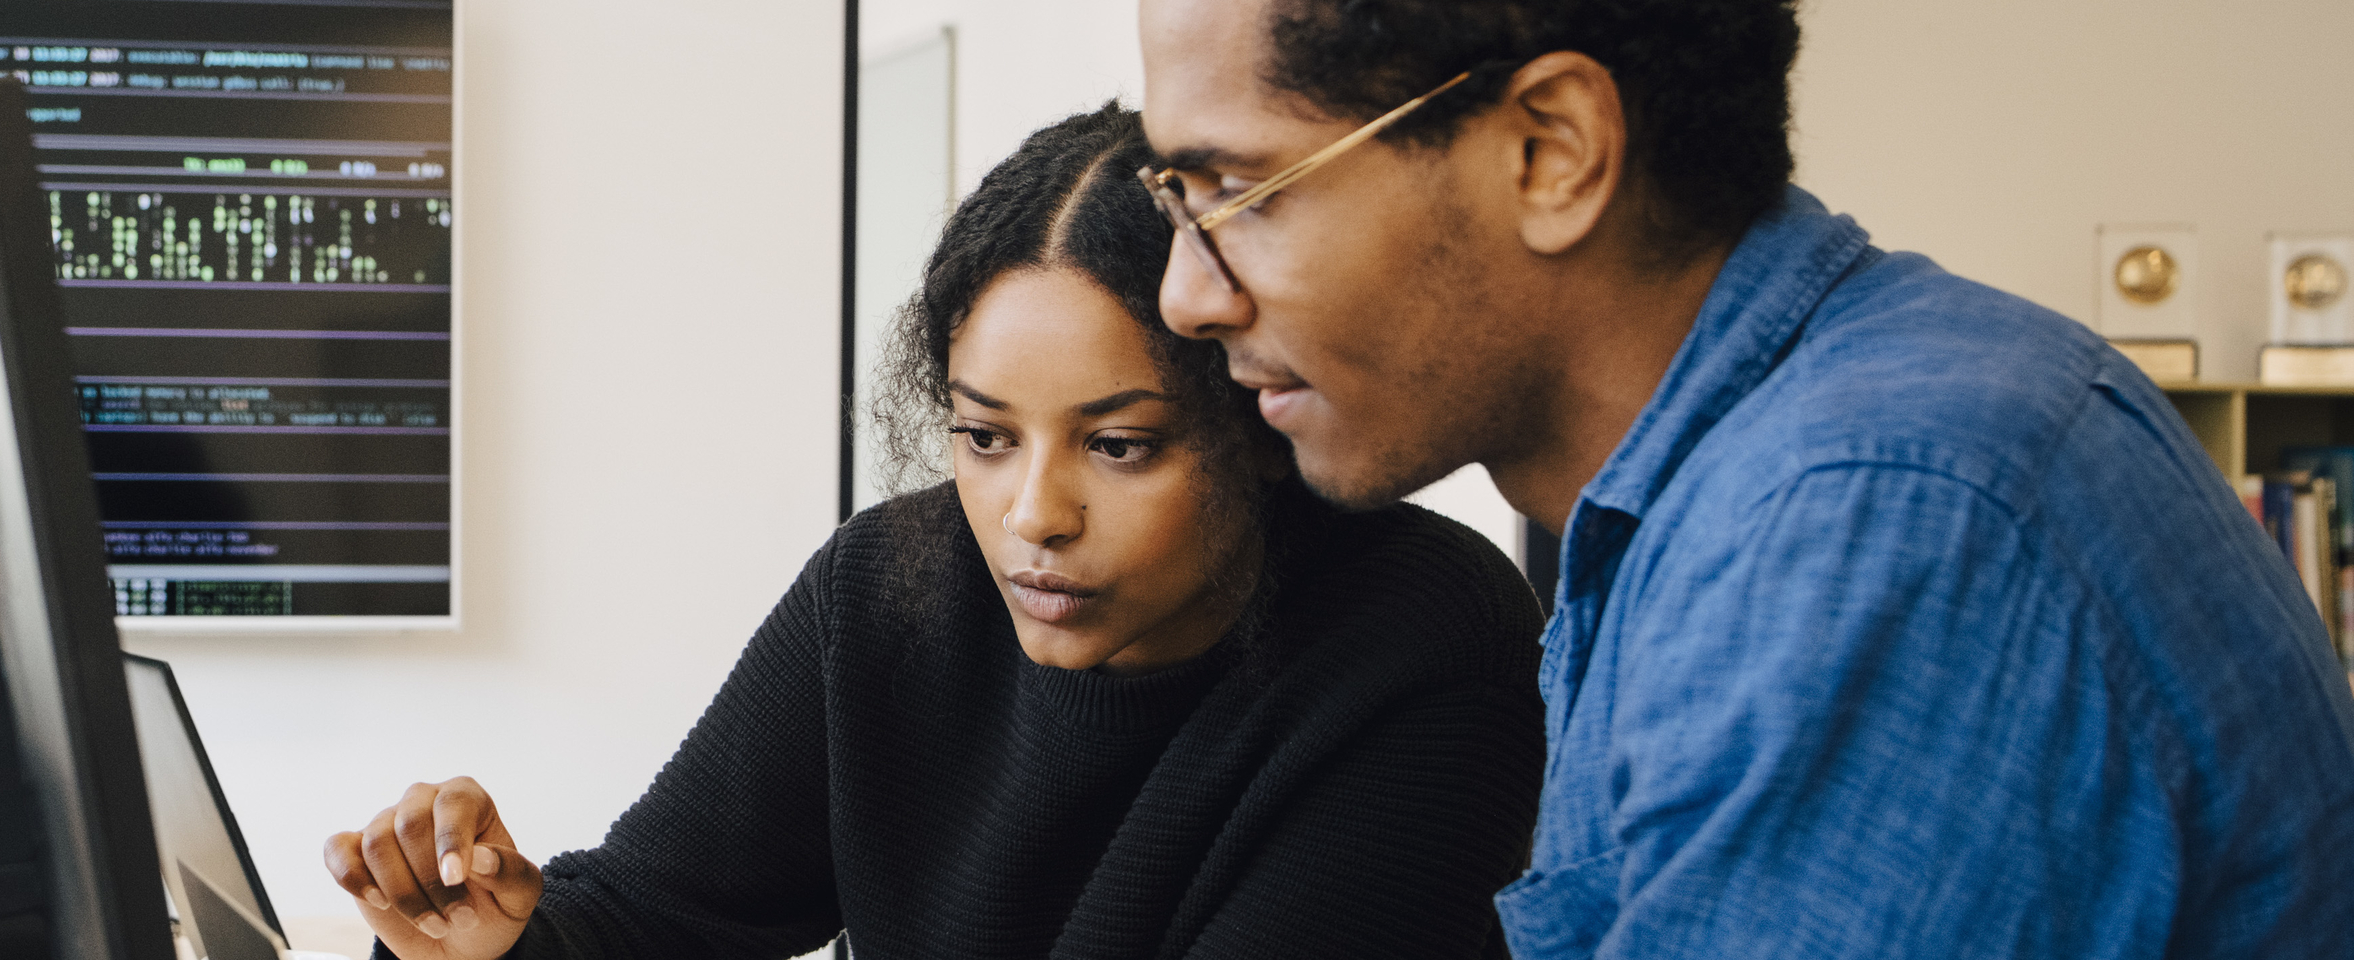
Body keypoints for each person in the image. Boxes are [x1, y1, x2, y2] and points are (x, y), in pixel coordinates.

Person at [1130, 0, 2354, 955]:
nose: (1188, 294)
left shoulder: (1867, 517)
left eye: (1241, 191)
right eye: (1177, 199)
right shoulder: (1694, 493)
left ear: (1550, 151)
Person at [321, 105, 1545, 960]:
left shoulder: (1421, 642)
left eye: (1117, 447)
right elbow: (663, 910)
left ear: (1254, 429)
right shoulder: (888, 590)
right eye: (984, 436)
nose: (1032, 517)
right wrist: (506, 940)